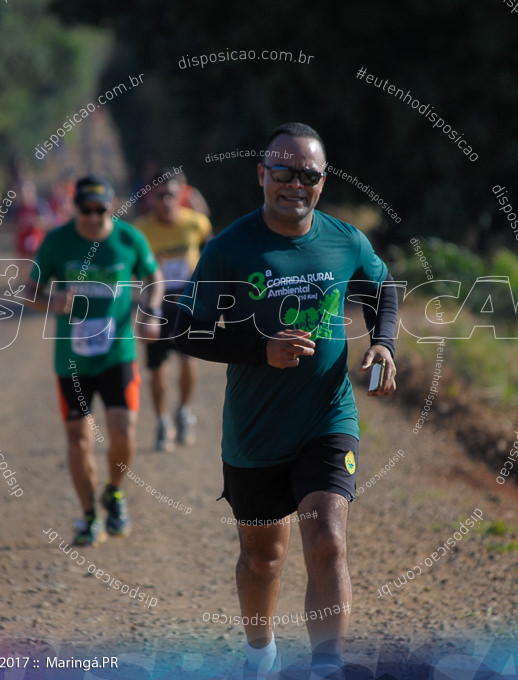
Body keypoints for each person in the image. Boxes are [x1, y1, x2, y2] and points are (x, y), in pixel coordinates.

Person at [173, 123, 399, 680]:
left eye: (309, 175)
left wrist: (385, 344)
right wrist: (259, 349)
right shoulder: (230, 248)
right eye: (282, 172)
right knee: (263, 557)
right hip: (255, 430)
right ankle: (260, 655)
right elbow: (185, 330)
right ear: (262, 175)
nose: (295, 184)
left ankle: (326, 666)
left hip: (327, 417)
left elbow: (383, 288)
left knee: (326, 542)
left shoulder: (345, 240)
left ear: (322, 182)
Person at [25, 176, 163, 547]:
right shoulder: (57, 242)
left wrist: (151, 310)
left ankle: (114, 492)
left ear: (110, 205)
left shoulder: (129, 239)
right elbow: (29, 291)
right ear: (75, 206)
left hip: (118, 353)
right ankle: (88, 516)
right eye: (84, 209)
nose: (91, 217)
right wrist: (53, 302)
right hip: (72, 361)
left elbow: (154, 277)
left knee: (123, 433)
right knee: (79, 441)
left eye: (99, 210)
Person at [132, 172, 212, 450]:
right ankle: (162, 421)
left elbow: (211, 252)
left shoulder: (197, 222)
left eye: (171, 195)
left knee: (189, 361)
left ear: (181, 196)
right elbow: (133, 268)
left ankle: (184, 411)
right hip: (155, 304)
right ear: (152, 198)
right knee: (157, 370)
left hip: (188, 303)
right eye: (160, 195)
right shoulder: (141, 230)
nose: (166, 201)